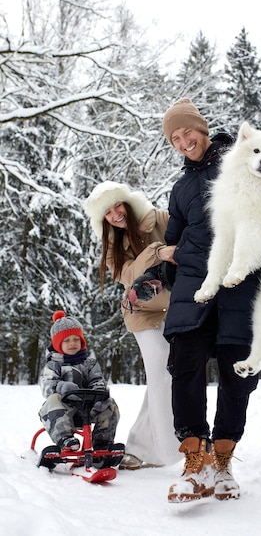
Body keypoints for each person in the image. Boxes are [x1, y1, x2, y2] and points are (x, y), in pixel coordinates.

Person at [156, 98, 261, 503]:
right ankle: (195, 460)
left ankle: (223, 461)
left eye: (188, 132)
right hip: (194, 287)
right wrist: (168, 263)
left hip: (246, 286)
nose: (184, 141)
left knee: (238, 375)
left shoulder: (251, 155)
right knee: (184, 366)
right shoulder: (182, 187)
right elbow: (173, 242)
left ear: (202, 130)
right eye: (175, 137)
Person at [83, 181, 180, 470]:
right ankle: (170, 450)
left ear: (127, 204)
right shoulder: (112, 247)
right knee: (161, 369)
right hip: (141, 314)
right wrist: (158, 253)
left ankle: (139, 447)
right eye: (108, 212)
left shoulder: (159, 219)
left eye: (118, 206)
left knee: (166, 374)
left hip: (173, 310)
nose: (116, 214)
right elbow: (128, 275)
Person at [39, 310, 120, 452]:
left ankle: (102, 444)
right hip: (64, 409)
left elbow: (97, 379)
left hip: (88, 407)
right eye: (67, 340)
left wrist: (99, 389)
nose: (72, 343)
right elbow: (47, 385)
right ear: (58, 344)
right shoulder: (53, 365)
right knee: (52, 400)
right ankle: (65, 439)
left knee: (110, 405)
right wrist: (63, 387)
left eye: (76, 339)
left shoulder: (89, 363)